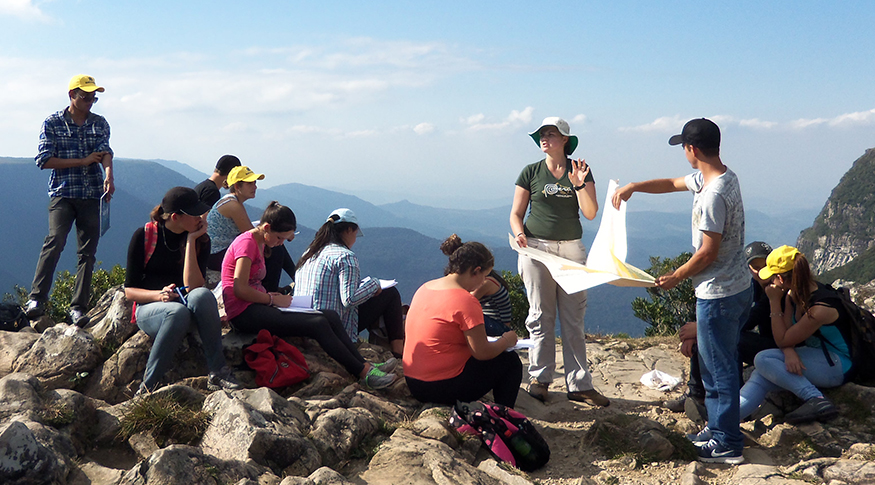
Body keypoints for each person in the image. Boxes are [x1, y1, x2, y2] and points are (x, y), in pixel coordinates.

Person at [612, 118, 750, 464]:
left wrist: (676, 276)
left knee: (718, 370)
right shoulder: (721, 177)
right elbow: (673, 183)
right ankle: (720, 429)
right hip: (738, 287)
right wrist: (634, 187)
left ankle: (727, 442)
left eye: (684, 148)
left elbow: (707, 251)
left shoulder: (712, 195)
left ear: (693, 149)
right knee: (723, 362)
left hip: (717, 294)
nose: (684, 154)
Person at [221, 202, 397, 389]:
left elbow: (250, 284)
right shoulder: (247, 243)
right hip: (243, 313)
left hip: (255, 305)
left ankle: (365, 363)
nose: (280, 243)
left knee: (330, 315)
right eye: (280, 238)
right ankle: (363, 373)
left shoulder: (259, 243)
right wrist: (272, 299)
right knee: (317, 323)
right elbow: (239, 288)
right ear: (267, 228)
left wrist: (268, 295)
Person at [509, 117, 608, 407]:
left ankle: (579, 385)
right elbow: (516, 213)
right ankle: (539, 379)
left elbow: (590, 212)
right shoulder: (531, 172)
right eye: (541, 134)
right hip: (536, 249)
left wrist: (579, 185)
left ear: (565, 139)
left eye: (550, 134)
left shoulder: (581, 171)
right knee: (540, 315)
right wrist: (519, 234)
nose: (544, 139)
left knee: (573, 318)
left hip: (571, 250)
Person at [124, 187, 242, 395]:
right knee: (176, 312)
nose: (200, 218)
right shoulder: (144, 236)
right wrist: (159, 296)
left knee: (203, 295)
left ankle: (218, 372)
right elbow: (130, 292)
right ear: (176, 217)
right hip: (152, 310)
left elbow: (194, 287)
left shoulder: (201, 240)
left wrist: (190, 241)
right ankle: (148, 387)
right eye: (194, 214)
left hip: (186, 306)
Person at [24, 75, 115, 327]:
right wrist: (84, 161)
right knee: (55, 241)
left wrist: (108, 174)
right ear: (71, 95)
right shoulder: (52, 122)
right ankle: (36, 299)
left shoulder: (99, 123)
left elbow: (105, 151)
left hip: (92, 193)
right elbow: (43, 160)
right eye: (85, 97)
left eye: (93, 98)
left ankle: (78, 307)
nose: (89, 102)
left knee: (87, 253)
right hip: (63, 193)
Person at [403, 237, 523, 407]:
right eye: (484, 276)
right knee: (510, 362)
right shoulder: (465, 300)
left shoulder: (425, 287)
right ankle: (504, 415)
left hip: (413, 382)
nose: (483, 282)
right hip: (439, 386)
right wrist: (506, 341)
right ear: (476, 270)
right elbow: (482, 353)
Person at [736, 246, 849, 425]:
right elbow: (787, 334)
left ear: (780, 278)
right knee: (762, 373)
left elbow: (782, 339)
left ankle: (816, 399)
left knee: (763, 359)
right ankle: (719, 424)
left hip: (838, 365)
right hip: (818, 357)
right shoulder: (796, 294)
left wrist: (774, 302)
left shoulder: (819, 308)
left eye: (773, 277)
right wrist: (788, 351)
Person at [665, 241, 779, 414]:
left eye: (764, 266)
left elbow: (747, 320)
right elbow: (719, 309)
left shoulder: (776, 289)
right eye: (754, 267)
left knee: (726, 338)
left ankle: (734, 400)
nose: (759, 272)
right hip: (766, 344)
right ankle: (696, 395)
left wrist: (702, 328)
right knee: (709, 337)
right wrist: (696, 332)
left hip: (781, 348)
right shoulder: (751, 286)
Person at [295, 208, 405, 357]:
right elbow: (349, 299)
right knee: (390, 293)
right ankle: (398, 351)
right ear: (348, 230)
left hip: (307, 324)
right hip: (336, 327)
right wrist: (374, 284)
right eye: (355, 233)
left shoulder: (309, 253)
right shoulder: (345, 256)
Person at [206, 165, 295, 291]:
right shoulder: (233, 205)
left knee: (276, 240)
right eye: (250, 183)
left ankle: (289, 280)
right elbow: (250, 234)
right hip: (216, 254)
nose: (255, 187)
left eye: (254, 183)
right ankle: (272, 290)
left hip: (219, 251)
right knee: (275, 247)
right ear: (237, 186)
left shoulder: (232, 202)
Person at [442, 234, 512, 337]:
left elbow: (467, 302)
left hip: (498, 326)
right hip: (492, 323)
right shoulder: (488, 279)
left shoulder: (486, 283)